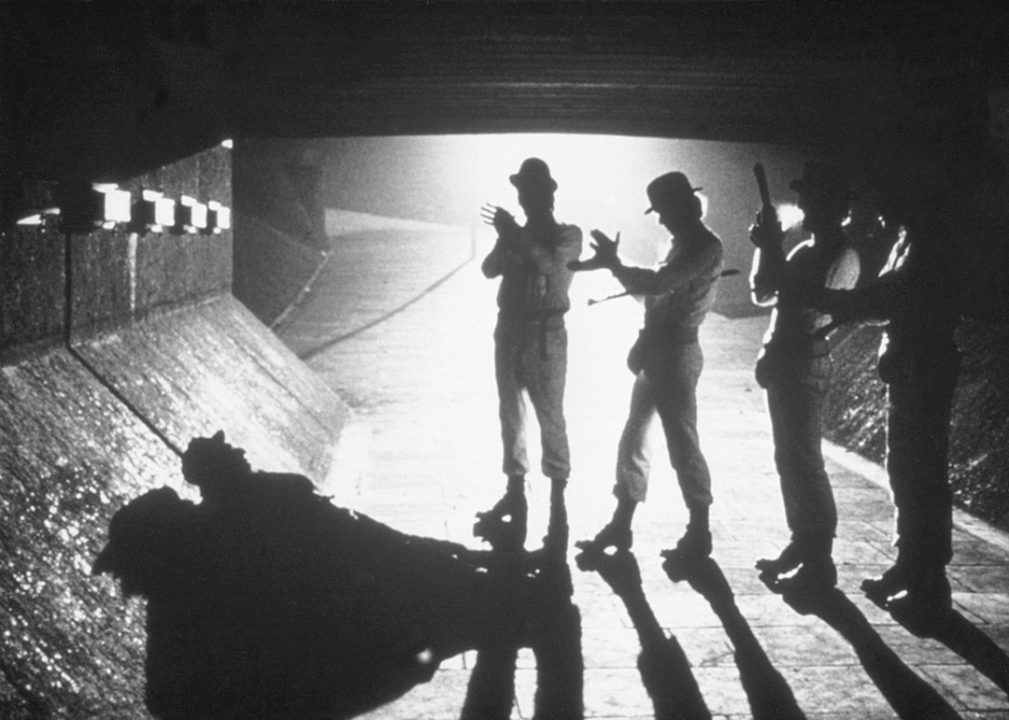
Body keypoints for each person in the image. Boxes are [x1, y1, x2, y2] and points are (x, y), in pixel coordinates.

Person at [805, 200, 961, 620]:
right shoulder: (910, 239)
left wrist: (835, 300)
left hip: (923, 368)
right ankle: (910, 564)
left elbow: (890, 297)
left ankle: (929, 580)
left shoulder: (929, 243)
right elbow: (885, 299)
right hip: (911, 368)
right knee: (905, 470)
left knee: (920, 475)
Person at [574, 171, 723, 568]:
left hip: (677, 354)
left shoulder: (705, 246)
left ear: (683, 207)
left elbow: (658, 285)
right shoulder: (680, 245)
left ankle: (699, 531)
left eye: (663, 210)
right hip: (659, 350)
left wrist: (614, 264)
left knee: (682, 444)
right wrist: (643, 337)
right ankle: (621, 523)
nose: (660, 219)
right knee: (634, 438)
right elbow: (654, 296)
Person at [748, 161, 861, 593]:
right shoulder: (804, 251)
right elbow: (764, 293)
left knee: (805, 463)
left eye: (812, 199)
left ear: (834, 207)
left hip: (802, 362)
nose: (804, 206)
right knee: (790, 461)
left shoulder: (841, 256)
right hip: (785, 362)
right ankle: (803, 542)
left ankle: (819, 560)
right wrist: (767, 248)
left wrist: (773, 247)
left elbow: (808, 304)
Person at [477, 157, 583, 552]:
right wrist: (508, 239)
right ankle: (515, 489)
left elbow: (551, 266)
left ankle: (558, 500)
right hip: (510, 329)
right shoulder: (517, 234)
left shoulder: (568, 234)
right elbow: (489, 269)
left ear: (547, 195)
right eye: (521, 191)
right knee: (510, 413)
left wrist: (516, 236)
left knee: (550, 415)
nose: (523, 198)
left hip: (545, 333)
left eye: (528, 191)